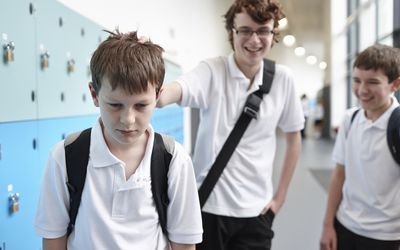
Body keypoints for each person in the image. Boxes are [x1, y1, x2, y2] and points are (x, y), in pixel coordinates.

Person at [34, 30, 202, 250]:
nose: (128, 120)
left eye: (141, 105)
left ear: (158, 97)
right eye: (115, 105)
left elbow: (184, 243)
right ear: (94, 95)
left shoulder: (174, 159)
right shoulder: (65, 156)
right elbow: (53, 240)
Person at [157, 0, 304, 249]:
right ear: (231, 32)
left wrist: (279, 198)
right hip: (208, 206)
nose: (254, 40)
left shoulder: (283, 80)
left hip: (257, 211)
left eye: (263, 31)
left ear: (273, 33)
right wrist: (146, 73)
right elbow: (172, 91)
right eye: (245, 30)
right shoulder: (213, 71)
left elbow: (293, 138)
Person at [320, 44, 400, 250]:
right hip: (345, 226)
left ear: (395, 84)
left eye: (373, 82)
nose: (362, 90)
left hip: (386, 236)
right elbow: (339, 174)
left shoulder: (397, 124)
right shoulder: (350, 119)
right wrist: (328, 224)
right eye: (356, 80)